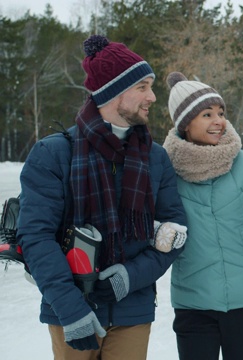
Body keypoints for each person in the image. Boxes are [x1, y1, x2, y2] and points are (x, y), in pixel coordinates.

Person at [17, 35, 188, 359]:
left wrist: (130, 276)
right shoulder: (53, 154)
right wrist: (70, 308)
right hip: (71, 309)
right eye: (142, 87)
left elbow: (175, 231)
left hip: (132, 311)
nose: (152, 96)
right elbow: (36, 236)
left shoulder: (155, 158)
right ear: (112, 92)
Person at [162, 72, 243, 359]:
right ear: (184, 124)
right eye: (207, 114)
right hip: (192, 306)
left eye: (220, 112)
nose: (218, 121)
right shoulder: (165, 171)